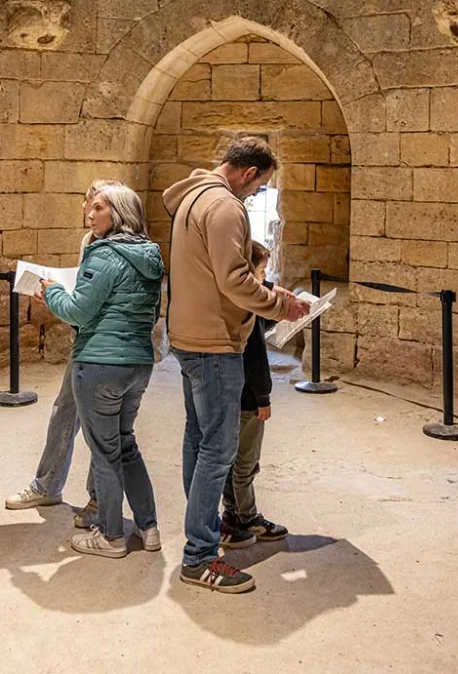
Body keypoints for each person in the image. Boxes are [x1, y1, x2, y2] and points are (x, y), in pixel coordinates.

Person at [163, 136, 310, 593]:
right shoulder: (226, 207)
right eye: (260, 186)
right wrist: (279, 305)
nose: (256, 194)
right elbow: (233, 280)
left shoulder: (192, 197)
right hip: (214, 343)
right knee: (218, 451)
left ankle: (206, 530)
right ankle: (200, 557)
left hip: (189, 337)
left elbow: (218, 274)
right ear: (249, 173)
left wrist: (270, 297)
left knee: (199, 440)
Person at [40, 183, 164, 559]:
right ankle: (148, 526)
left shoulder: (103, 254)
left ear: (119, 214)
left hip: (100, 363)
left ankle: (111, 535)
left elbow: (78, 311)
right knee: (125, 444)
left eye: (98, 208)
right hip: (138, 364)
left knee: (106, 452)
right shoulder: (150, 255)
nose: (88, 214)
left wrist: (50, 292)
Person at [5, 179, 119, 527]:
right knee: (64, 412)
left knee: (101, 426)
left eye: (96, 205)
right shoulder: (89, 242)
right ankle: (48, 484)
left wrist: (64, 299)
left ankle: (98, 501)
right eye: (87, 203)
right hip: (85, 338)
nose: (88, 212)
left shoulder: (123, 246)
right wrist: (56, 293)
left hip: (108, 345)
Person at [220, 240, 288, 548]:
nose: (265, 277)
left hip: (229, 394)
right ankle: (247, 518)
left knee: (230, 461)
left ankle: (232, 513)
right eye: (261, 271)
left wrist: (268, 289)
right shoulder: (249, 312)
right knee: (247, 464)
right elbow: (256, 360)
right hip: (249, 400)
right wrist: (264, 399)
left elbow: (268, 313)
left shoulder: (235, 301)